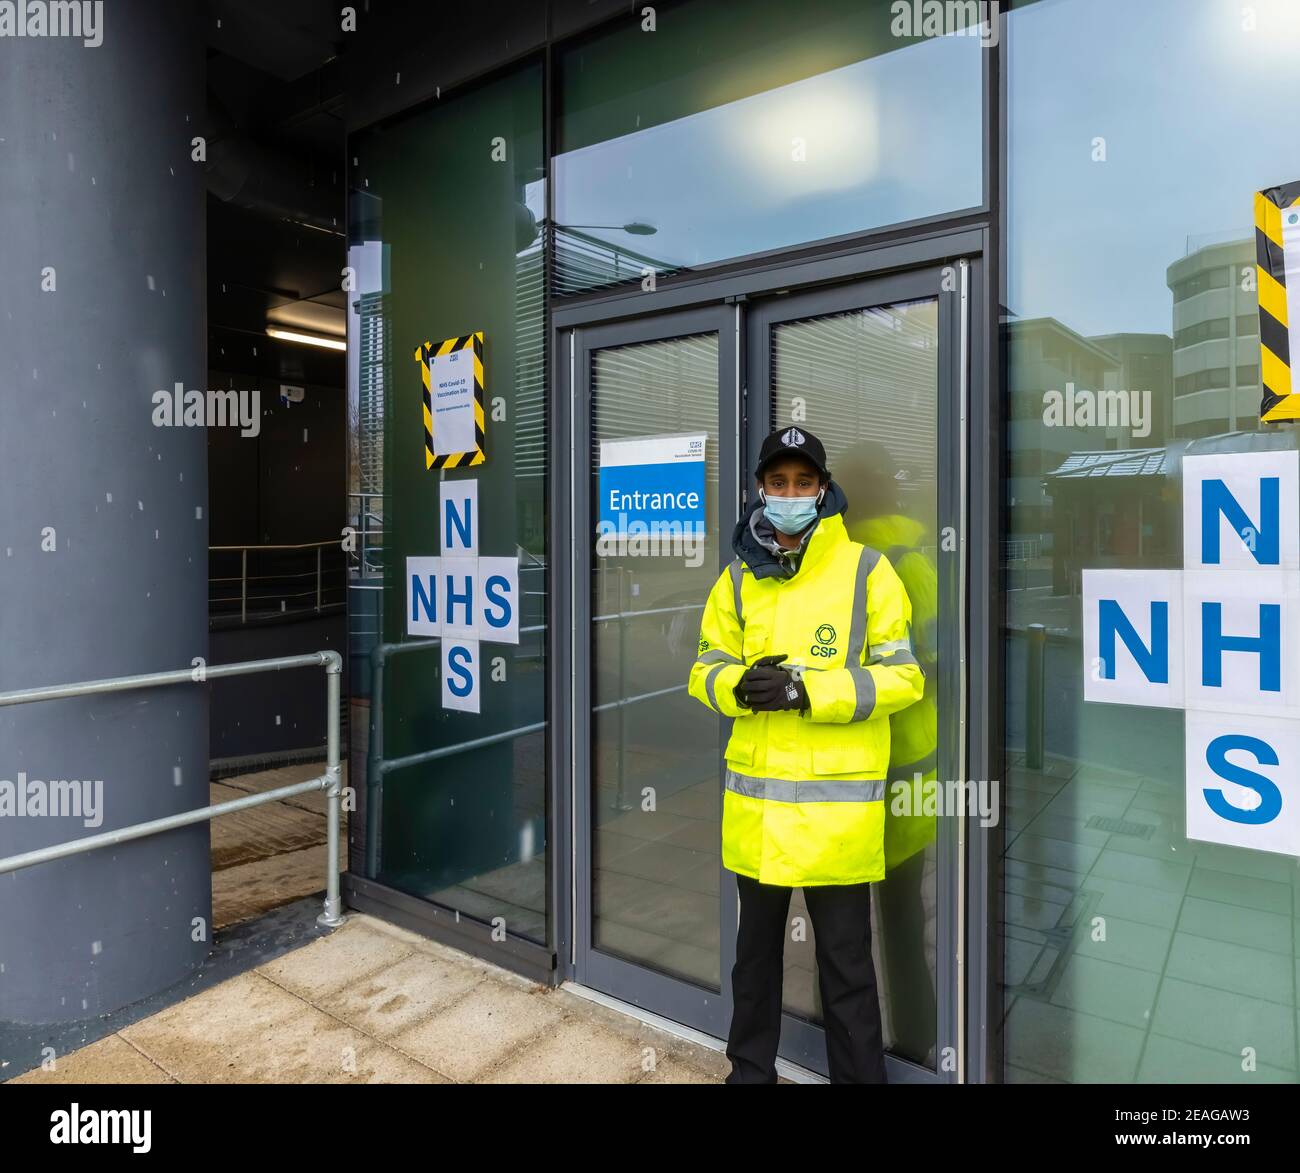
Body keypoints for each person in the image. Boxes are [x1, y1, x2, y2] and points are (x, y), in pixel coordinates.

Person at [687, 425, 925, 1084]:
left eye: (803, 482)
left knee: (847, 972)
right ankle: (749, 1075)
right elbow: (702, 666)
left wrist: (804, 689)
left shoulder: (868, 572)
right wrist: (736, 684)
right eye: (777, 482)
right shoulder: (736, 581)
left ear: (823, 491)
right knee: (753, 964)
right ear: (761, 490)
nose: (789, 494)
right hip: (760, 819)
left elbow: (904, 677)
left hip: (835, 825)